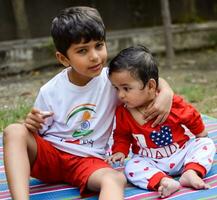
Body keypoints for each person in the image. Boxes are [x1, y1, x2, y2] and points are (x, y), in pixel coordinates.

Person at [3, 7, 173, 200]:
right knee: (13, 131)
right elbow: (36, 133)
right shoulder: (50, 91)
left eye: (99, 45)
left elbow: (147, 80)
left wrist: (166, 91)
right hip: (51, 157)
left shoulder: (113, 81)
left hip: (88, 162)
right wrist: (32, 124)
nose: (94, 56)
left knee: (115, 179)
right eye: (82, 50)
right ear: (64, 58)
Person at [106, 45, 216, 198]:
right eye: (116, 89)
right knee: (131, 167)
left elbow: (191, 115)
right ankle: (164, 181)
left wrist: (200, 133)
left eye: (126, 88)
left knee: (206, 144)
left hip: (181, 153)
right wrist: (120, 151)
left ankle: (190, 172)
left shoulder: (169, 103)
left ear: (150, 86)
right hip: (150, 161)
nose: (120, 95)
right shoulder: (123, 112)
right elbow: (121, 135)